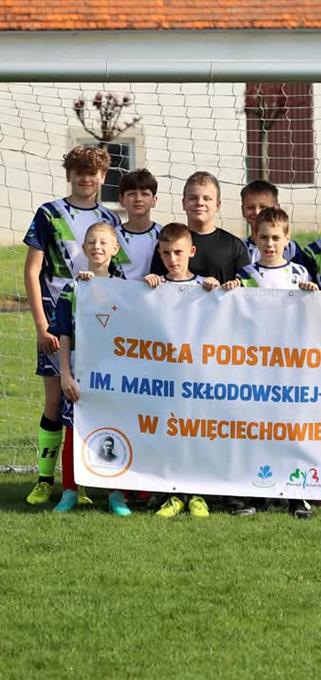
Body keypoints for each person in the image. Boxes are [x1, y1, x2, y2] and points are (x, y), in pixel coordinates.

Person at [23, 145, 120, 506]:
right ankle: (44, 480)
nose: (85, 178)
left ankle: (85, 479)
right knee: (55, 400)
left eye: (92, 172)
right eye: (79, 172)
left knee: (93, 400)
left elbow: (117, 273)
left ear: (103, 176)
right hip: (57, 321)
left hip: (97, 327)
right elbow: (32, 270)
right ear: (69, 175)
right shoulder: (49, 213)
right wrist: (41, 325)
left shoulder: (109, 220)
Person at [223, 207, 318, 519]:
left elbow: (315, 316)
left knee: (292, 428)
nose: (270, 243)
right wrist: (230, 293)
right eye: (263, 237)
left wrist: (313, 295)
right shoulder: (247, 275)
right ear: (254, 237)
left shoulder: (300, 274)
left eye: (276, 237)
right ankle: (258, 492)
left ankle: (296, 494)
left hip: (292, 365)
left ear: (288, 238)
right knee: (259, 429)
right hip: (257, 366)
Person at [50, 221, 131, 516]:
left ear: (115, 249)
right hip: (79, 374)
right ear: (84, 248)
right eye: (92, 242)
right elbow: (64, 334)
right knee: (74, 431)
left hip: (116, 377)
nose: (97, 247)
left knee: (117, 428)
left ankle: (116, 493)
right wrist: (65, 374)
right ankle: (70, 490)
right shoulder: (73, 289)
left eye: (103, 242)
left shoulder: (126, 290)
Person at [144, 223, 219, 518]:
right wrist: (143, 290)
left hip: (198, 378)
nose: (172, 259)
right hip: (165, 379)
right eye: (166, 253)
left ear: (192, 251)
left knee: (197, 433)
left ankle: (197, 494)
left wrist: (217, 291)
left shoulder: (205, 286)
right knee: (170, 434)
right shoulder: (153, 286)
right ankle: (173, 495)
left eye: (178, 252)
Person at [149, 171, 248, 284]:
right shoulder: (168, 243)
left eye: (207, 198)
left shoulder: (235, 246)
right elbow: (156, 287)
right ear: (183, 203)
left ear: (218, 205)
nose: (200, 203)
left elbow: (247, 288)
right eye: (193, 198)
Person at [239, 179, 305, 265]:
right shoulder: (239, 248)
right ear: (243, 210)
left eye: (263, 207)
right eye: (250, 208)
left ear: (276, 208)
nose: (257, 212)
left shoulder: (290, 248)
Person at [115, 168, 162, 281]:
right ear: (121, 200)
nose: (138, 199)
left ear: (154, 200)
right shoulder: (113, 236)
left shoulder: (163, 235)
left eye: (145, 194)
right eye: (131, 194)